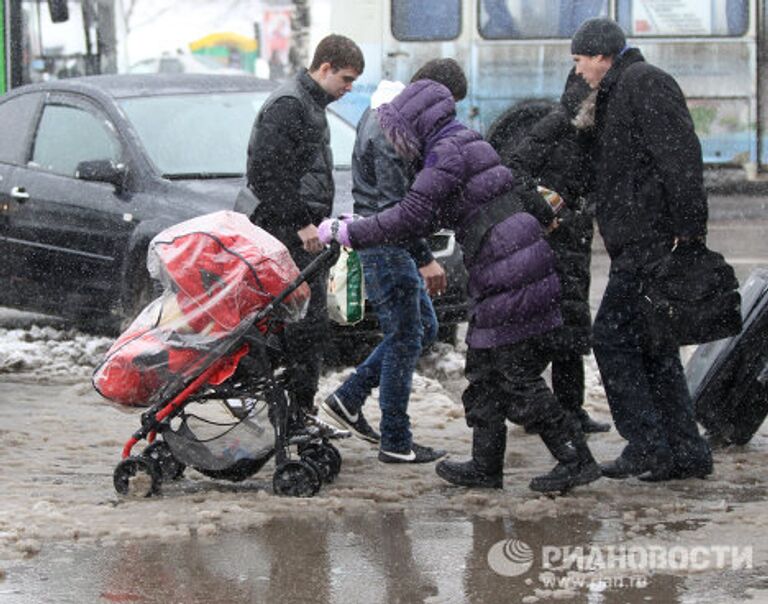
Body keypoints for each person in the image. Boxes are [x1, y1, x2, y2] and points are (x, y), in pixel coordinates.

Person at [317, 78, 602, 493]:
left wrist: (352, 232)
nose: (397, 139)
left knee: (514, 374)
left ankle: (576, 458)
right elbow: (435, 211)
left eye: (399, 129)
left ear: (415, 121)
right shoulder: (462, 141)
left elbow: (412, 216)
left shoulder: (445, 153)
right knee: (484, 370)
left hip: (508, 267)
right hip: (507, 260)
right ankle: (486, 465)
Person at [570, 18, 713, 481]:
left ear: (601, 56)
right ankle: (685, 451)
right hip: (640, 240)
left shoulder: (645, 83)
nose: (577, 72)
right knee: (654, 346)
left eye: (579, 61)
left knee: (611, 339)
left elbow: (681, 157)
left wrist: (689, 233)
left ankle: (648, 444)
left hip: (650, 244)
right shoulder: (620, 88)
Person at [322, 59, 468, 464]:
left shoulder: (386, 114)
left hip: (386, 242)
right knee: (407, 334)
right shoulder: (391, 127)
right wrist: (425, 259)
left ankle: (349, 398)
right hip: (386, 246)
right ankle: (395, 439)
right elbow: (394, 206)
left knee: (424, 327)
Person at [246, 34, 364, 425]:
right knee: (301, 326)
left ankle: (297, 410)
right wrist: (302, 224)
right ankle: (293, 414)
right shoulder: (290, 104)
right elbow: (268, 173)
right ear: (324, 67)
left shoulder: (309, 102)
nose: (348, 89)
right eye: (346, 79)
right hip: (288, 234)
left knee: (306, 327)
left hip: (297, 232)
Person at [503, 69, 611, 434]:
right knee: (554, 323)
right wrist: (545, 208)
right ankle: (533, 406)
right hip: (552, 239)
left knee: (572, 323)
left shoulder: (591, 131)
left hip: (574, 236)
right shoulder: (556, 125)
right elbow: (512, 170)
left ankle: (569, 407)